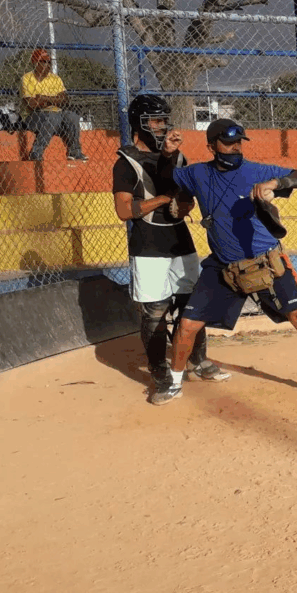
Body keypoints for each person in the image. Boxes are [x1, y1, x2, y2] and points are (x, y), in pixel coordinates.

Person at [154, 117, 297, 405]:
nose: (235, 148)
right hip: (223, 265)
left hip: (265, 263)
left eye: (239, 142)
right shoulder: (197, 174)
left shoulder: (257, 171)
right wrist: (168, 153)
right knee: (187, 324)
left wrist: (277, 182)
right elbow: (167, 176)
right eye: (228, 142)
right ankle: (173, 382)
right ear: (211, 146)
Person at [112, 93, 230, 405]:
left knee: (194, 302)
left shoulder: (177, 158)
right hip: (148, 244)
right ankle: (159, 369)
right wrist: (164, 200)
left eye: (165, 121)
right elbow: (124, 211)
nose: (162, 127)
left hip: (180, 239)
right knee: (154, 312)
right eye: (155, 121)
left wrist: (184, 202)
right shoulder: (126, 163)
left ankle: (197, 360)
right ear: (140, 124)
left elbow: (188, 196)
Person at [20, 49, 87, 161]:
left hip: (56, 115)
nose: (48, 65)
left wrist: (45, 98)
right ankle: (36, 153)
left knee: (72, 116)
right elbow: (31, 105)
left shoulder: (55, 78)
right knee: (52, 116)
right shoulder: (27, 78)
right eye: (44, 61)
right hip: (33, 117)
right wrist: (55, 100)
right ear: (36, 63)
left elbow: (65, 100)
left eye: (49, 62)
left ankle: (75, 152)